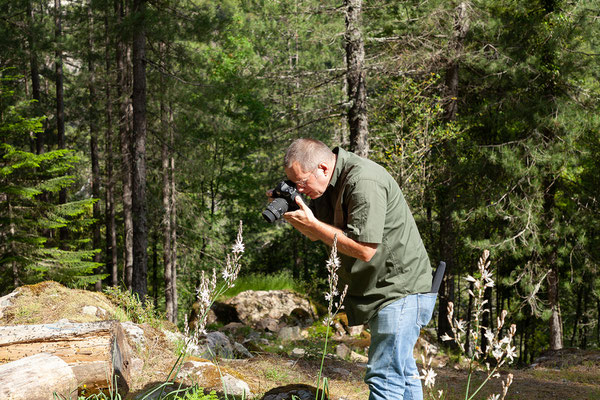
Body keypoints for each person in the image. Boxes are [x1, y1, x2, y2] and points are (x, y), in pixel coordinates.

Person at [276, 138, 436, 400]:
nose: (300, 189)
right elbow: (320, 234)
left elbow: (364, 249)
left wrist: (314, 225)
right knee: (402, 375)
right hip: (381, 290)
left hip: (399, 290)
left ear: (323, 168)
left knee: (384, 376)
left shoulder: (364, 181)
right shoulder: (326, 186)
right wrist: (292, 210)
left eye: (302, 182)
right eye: (294, 184)